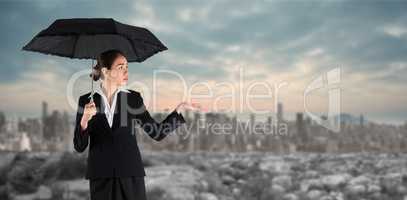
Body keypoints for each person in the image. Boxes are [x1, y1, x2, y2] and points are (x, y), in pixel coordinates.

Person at [73, 49, 199, 200]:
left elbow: (156, 133)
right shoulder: (86, 101)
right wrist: (85, 119)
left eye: (127, 67)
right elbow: (79, 146)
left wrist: (179, 110)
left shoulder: (133, 99)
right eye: (121, 67)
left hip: (130, 173)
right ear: (105, 72)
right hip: (101, 175)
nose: (126, 71)